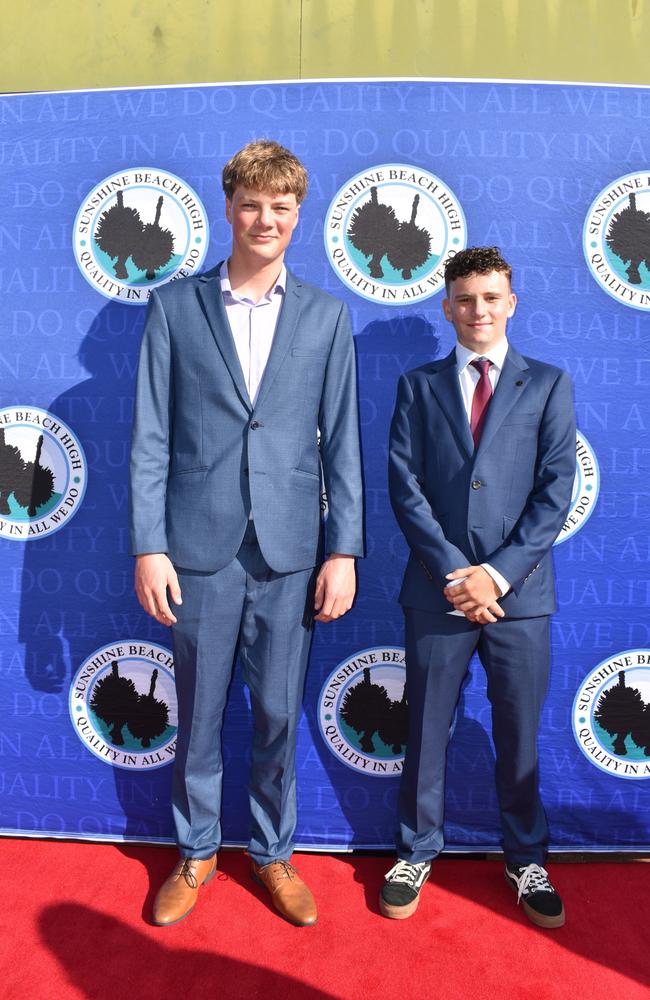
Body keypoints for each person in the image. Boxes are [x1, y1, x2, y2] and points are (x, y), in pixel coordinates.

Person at [129, 140, 363, 927]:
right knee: (195, 715)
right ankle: (195, 854)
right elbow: (151, 438)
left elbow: (343, 443)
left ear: (300, 215)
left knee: (276, 714)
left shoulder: (329, 317)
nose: (267, 219)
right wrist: (148, 543)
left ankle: (271, 855)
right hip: (196, 551)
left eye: (282, 207)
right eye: (253, 204)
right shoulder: (173, 308)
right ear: (228, 209)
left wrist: (344, 550)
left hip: (292, 551)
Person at [382, 246, 575, 928]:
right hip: (436, 592)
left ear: (511, 302)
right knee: (426, 729)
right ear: (446, 307)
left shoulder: (548, 384)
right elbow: (404, 487)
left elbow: (557, 491)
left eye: (491, 297)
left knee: (518, 734)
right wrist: (456, 574)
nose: (478, 310)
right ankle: (415, 850)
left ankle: (526, 859)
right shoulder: (418, 385)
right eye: (465, 299)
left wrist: (494, 574)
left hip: (520, 596)